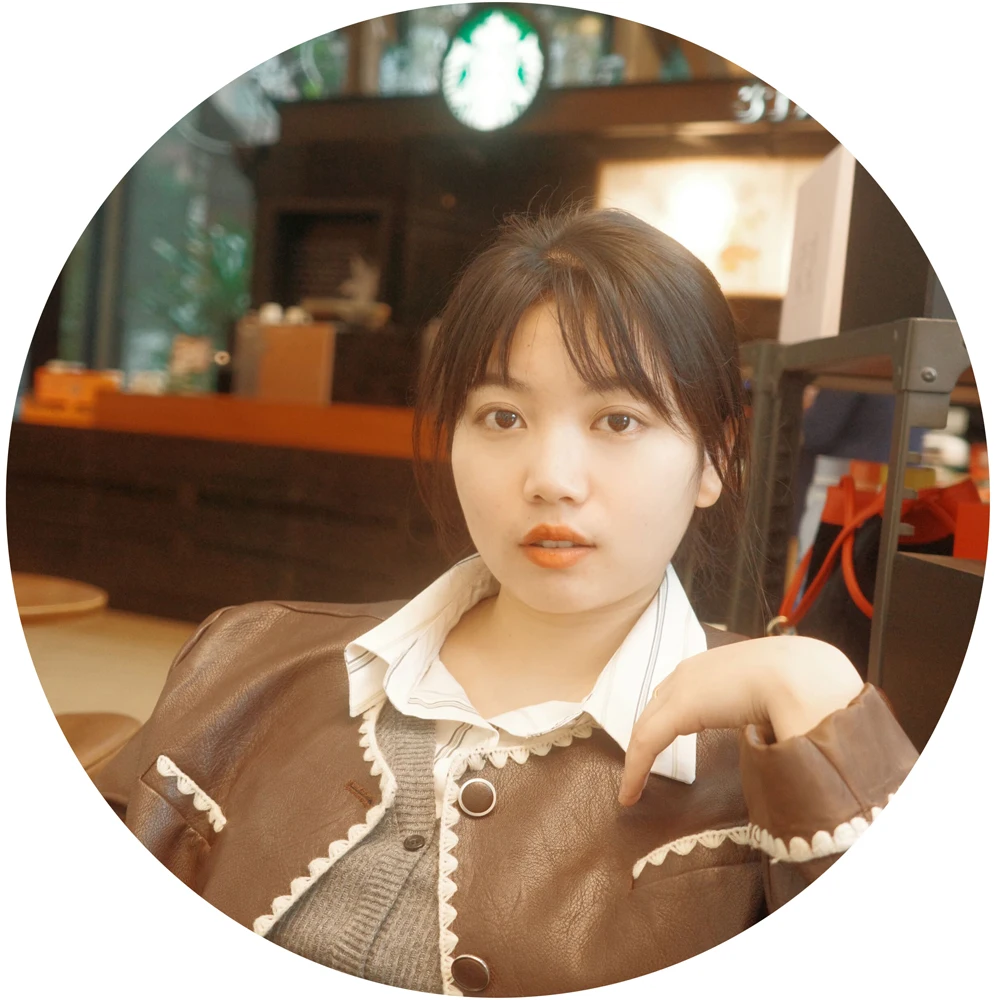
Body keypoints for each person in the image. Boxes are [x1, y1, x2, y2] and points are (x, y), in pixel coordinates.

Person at [93, 208, 916, 996]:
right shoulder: (242, 658)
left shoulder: (780, 753)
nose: (551, 479)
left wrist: (822, 707)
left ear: (715, 460)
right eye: (501, 416)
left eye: (618, 421)